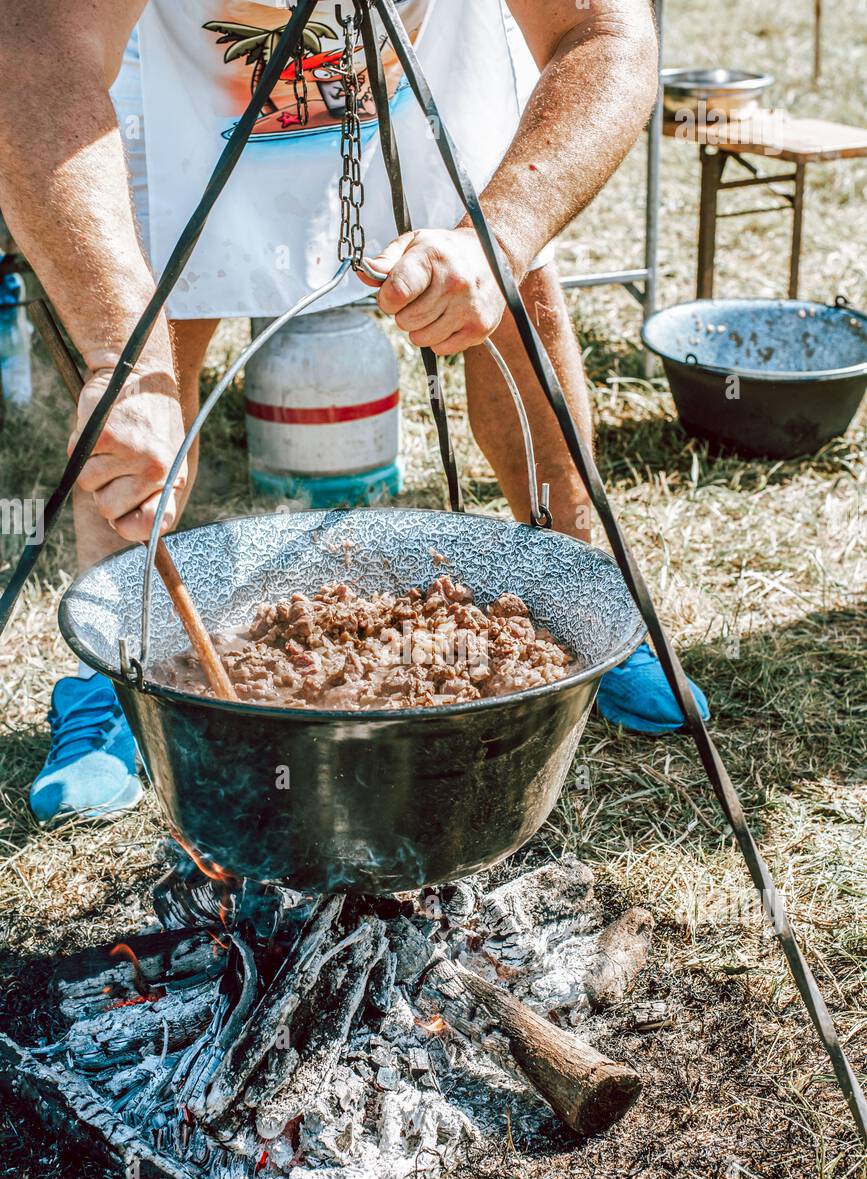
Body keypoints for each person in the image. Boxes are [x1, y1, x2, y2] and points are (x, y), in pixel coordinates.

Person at [0, 0, 708, 827]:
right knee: (149, 330)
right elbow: (32, 43)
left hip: (429, 48)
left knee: (517, 301)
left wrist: (499, 242)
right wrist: (122, 356)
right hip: (188, 65)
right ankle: (112, 679)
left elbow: (605, 32)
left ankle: (585, 608)